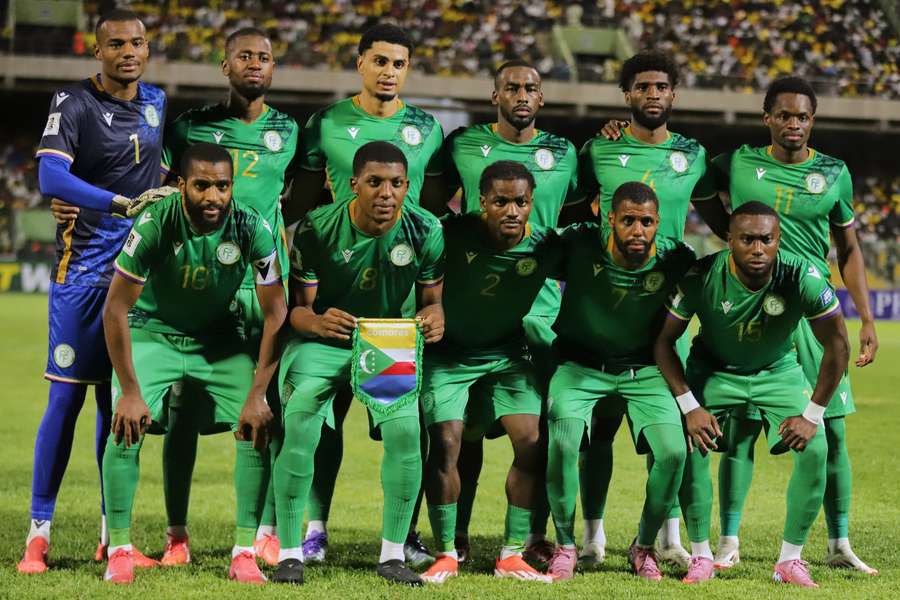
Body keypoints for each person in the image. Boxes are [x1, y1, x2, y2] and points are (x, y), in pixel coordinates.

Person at [696, 77, 878, 574]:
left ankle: (838, 542)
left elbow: (850, 249)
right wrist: (732, 235)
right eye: (784, 115)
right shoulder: (735, 163)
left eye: (802, 117)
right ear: (767, 118)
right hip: (757, 302)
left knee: (831, 431)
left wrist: (865, 317)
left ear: (811, 121)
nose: (793, 124)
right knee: (739, 429)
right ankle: (728, 539)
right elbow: (697, 190)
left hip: (813, 307)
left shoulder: (833, 173)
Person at [285, 24, 444, 567]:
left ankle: (401, 542)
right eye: (379, 60)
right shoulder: (326, 123)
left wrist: (432, 305)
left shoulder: (427, 128)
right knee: (319, 419)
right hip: (334, 296)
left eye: (399, 63)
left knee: (406, 425)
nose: (389, 71)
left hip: (394, 314)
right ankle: (312, 529)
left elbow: (438, 198)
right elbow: (301, 196)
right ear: (360, 63)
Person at [18, 9, 166, 573]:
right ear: (96, 51)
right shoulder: (73, 103)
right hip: (83, 275)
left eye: (138, 43)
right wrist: (116, 203)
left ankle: (115, 534)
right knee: (66, 398)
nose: (129, 52)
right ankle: (39, 535)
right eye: (116, 44)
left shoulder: (156, 102)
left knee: (120, 404)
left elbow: (159, 168)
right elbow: (51, 178)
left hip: (137, 277)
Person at [100, 142, 287, 584]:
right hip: (154, 332)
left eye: (223, 186)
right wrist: (129, 390)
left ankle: (244, 552)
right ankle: (121, 550)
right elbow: (115, 309)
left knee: (256, 426)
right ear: (181, 185)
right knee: (124, 424)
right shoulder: (155, 223)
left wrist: (258, 393)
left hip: (217, 339)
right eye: (201, 185)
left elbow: (276, 312)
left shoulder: (251, 227)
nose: (213, 196)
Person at [422, 59, 579, 565]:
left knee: (540, 436)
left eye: (531, 86)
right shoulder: (461, 166)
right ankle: (453, 538)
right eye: (511, 86)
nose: (522, 94)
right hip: (459, 334)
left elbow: (587, 233)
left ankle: (528, 541)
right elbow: (425, 217)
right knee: (457, 437)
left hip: (537, 322)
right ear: (494, 93)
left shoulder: (564, 157)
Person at [156, 26, 299, 567]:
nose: (255, 65)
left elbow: (302, 194)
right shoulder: (191, 127)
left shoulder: (289, 129)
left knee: (268, 404)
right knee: (183, 403)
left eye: (264, 57)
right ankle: (176, 534)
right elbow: (162, 186)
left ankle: (262, 529)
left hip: (264, 283)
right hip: (204, 281)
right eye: (245, 56)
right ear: (225, 65)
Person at [656, 201, 850, 587]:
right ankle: (701, 555)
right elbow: (664, 343)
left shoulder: (802, 276)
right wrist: (689, 405)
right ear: (729, 240)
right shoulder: (702, 276)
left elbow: (839, 346)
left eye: (766, 239)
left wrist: (811, 415)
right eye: (747, 240)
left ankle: (789, 561)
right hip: (714, 372)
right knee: (691, 444)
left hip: (777, 372)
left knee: (817, 446)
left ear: (779, 240)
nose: (758, 249)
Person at [575, 50, 719, 568]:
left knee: (675, 430)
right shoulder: (598, 151)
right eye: (642, 87)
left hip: (670, 309)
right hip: (606, 307)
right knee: (599, 429)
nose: (652, 94)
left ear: (673, 94)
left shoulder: (694, 155)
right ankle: (592, 536)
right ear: (627, 95)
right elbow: (568, 206)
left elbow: (720, 218)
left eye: (662, 86)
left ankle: (667, 537)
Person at [545, 181, 695, 581]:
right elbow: (524, 250)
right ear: (608, 219)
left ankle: (644, 547)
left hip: (643, 370)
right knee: (562, 440)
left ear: (658, 223)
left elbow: (711, 288)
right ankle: (564, 545)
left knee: (673, 453)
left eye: (646, 222)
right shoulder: (578, 244)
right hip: (579, 367)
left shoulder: (676, 258)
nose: (637, 230)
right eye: (627, 220)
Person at [421, 161, 561, 584]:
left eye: (521, 202)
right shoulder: (449, 233)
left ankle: (512, 555)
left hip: (506, 356)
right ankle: (446, 551)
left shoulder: (547, 246)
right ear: (481, 202)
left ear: (532, 203)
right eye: (500, 201)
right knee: (446, 441)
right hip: (447, 356)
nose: (512, 211)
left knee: (533, 441)